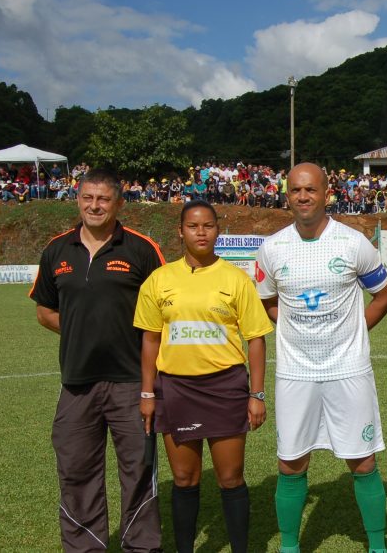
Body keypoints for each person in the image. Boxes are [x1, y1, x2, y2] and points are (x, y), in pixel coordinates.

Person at [255, 163, 387, 553]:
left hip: (348, 369)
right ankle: (289, 547)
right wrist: (296, 329)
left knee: (362, 461)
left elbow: (384, 295)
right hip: (295, 372)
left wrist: (355, 330)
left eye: (311, 190)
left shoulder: (352, 243)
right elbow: (267, 301)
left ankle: (377, 546)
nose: (303, 197)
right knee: (290, 463)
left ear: (326, 193)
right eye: (296, 190)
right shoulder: (272, 248)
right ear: (287, 196)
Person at [29, 168, 165, 551]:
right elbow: (45, 311)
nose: (94, 206)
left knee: (139, 471)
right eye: (88, 198)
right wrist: (81, 331)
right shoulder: (57, 250)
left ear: (118, 203)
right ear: (77, 200)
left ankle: (141, 546)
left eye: (103, 199)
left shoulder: (141, 249)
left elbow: (165, 311)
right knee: (76, 472)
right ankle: (85, 546)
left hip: (132, 382)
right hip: (77, 383)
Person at [133, 200, 273, 553]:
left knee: (230, 478)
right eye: (193, 226)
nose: (201, 232)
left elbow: (256, 339)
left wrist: (257, 395)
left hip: (225, 387)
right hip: (175, 388)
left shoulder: (236, 279)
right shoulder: (160, 280)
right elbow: (150, 340)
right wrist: (147, 393)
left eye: (208, 226)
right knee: (184, 478)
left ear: (217, 231)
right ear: (180, 231)